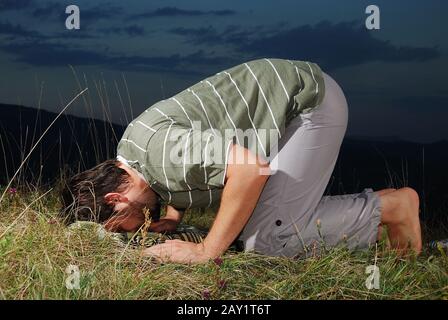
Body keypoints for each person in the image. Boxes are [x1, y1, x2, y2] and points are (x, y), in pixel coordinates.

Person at [60, 58, 422, 264]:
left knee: (263, 241)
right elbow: (186, 166)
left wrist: (206, 250)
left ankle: (392, 207)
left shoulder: (158, 152)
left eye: (123, 227)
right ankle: (372, 226)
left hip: (308, 105)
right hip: (290, 108)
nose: (136, 229)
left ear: (115, 200)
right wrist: (173, 217)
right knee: (258, 226)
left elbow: (250, 170)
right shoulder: (133, 153)